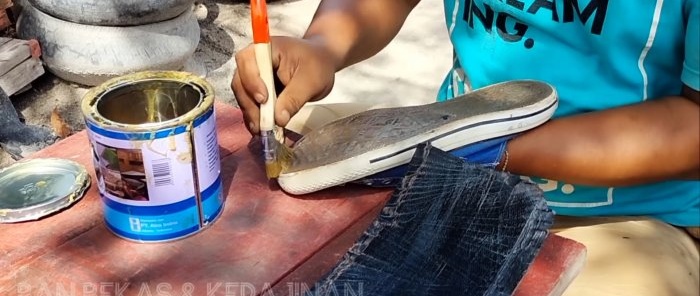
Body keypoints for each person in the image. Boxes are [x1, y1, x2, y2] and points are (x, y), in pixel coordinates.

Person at [232, 1, 699, 295]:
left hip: (628, 218)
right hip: (445, 155)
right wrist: (321, 47)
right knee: (266, 179)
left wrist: (484, 147)